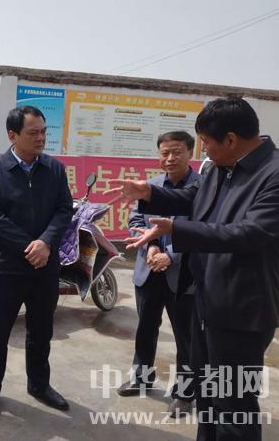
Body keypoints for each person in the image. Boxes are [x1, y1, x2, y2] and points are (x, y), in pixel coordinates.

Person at [105, 97, 279, 441]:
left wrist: (176, 229)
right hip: (206, 300)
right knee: (208, 396)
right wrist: (149, 193)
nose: (204, 151)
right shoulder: (218, 168)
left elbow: (250, 233)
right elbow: (192, 198)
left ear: (231, 140)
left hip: (242, 309)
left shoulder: (272, 174)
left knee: (234, 405)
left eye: (205, 143)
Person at [0, 106, 73, 421]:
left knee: (41, 331)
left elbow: (64, 210)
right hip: (7, 268)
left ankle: (39, 385)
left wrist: (45, 243)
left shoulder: (54, 169)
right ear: (13, 135)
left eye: (43, 132)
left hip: (45, 267)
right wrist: (29, 247)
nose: (41, 138)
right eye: (33, 133)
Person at [117, 131, 200, 417]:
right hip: (149, 271)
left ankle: (185, 394)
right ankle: (141, 377)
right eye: (165, 153)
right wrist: (151, 248)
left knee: (186, 338)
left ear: (191, 152)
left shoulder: (202, 189)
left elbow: (202, 231)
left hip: (184, 277)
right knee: (146, 328)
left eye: (177, 151)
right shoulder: (150, 186)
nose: (170, 158)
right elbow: (135, 221)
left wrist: (171, 255)